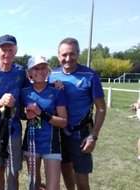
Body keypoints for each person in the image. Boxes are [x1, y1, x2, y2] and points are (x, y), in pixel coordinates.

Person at [49, 37, 106, 190]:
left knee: (81, 178)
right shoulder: (51, 75)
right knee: (65, 170)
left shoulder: (90, 75)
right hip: (59, 133)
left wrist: (93, 136)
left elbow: (101, 108)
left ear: (78, 54)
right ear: (58, 55)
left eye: (72, 54)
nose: (68, 58)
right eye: (64, 54)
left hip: (80, 134)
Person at [0, 34, 29, 190]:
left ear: (16, 51)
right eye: (3, 49)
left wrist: (54, 84)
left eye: (11, 49)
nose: (7, 53)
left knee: (13, 172)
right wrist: (1, 102)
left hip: (14, 131)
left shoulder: (21, 72)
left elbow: (33, 90)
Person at [21, 55, 68, 190]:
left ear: (48, 71)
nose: (39, 71)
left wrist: (41, 113)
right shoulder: (24, 92)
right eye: (35, 68)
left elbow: (64, 122)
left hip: (51, 145)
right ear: (29, 73)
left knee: (53, 187)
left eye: (43, 68)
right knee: (34, 185)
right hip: (31, 144)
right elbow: (20, 115)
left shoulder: (56, 91)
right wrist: (25, 114)